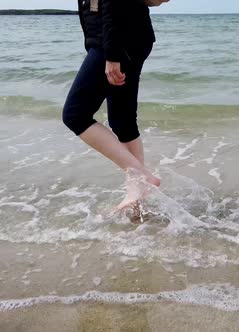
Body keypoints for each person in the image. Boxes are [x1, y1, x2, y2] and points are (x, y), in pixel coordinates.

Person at [63, 0, 169, 210]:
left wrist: (112, 54)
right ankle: (137, 195)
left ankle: (140, 177)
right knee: (122, 120)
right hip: (124, 39)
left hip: (117, 41)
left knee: (75, 115)